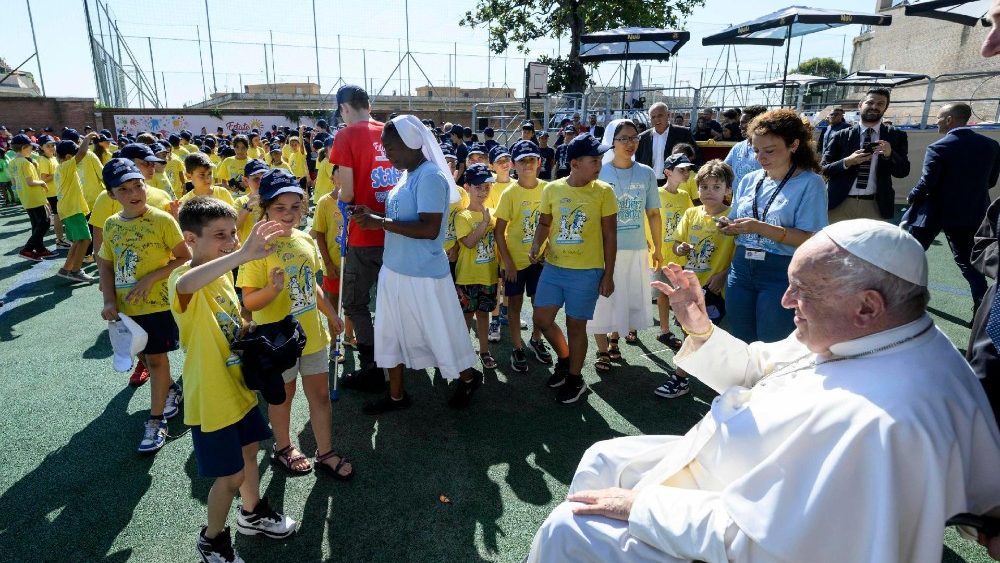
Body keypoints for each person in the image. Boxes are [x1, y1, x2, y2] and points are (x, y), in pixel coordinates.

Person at [526, 219, 1000, 563]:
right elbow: (759, 369)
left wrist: (644, 507)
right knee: (606, 457)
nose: (786, 301)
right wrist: (700, 326)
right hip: (747, 472)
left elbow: (765, 543)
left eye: (801, 291)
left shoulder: (880, 424)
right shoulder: (867, 332)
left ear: (867, 305)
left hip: (744, 524)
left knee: (572, 527)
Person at [169, 198, 297, 563]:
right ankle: (211, 539)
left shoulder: (223, 273)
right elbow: (189, 283)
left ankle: (252, 514)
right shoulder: (182, 278)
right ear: (190, 239)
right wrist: (241, 253)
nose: (230, 240)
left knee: (250, 455)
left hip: (237, 387)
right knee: (229, 477)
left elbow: (235, 322)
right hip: (211, 395)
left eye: (233, 233)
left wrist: (261, 342)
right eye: (220, 235)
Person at [349, 115, 483, 413]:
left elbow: (429, 229)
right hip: (394, 270)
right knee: (390, 334)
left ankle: (469, 377)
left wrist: (378, 222)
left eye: (392, 148)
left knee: (442, 333)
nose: (388, 154)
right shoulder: (406, 175)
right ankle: (397, 396)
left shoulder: (430, 176)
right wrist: (373, 216)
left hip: (424, 276)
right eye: (385, 148)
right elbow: (403, 217)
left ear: (412, 144)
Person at [237, 169, 352, 480]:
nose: (288, 214)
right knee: (283, 396)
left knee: (320, 396)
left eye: (294, 206)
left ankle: (325, 451)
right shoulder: (256, 247)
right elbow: (248, 302)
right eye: (279, 207)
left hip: (312, 335)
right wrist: (272, 290)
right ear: (264, 208)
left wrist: (330, 313)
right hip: (276, 341)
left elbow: (310, 285)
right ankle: (284, 447)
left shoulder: (304, 239)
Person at [97, 158, 190, 453]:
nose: (134, 193)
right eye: (123, 189)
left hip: (158, 305)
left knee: (158, 360)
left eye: (138, 185)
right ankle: (172, 389)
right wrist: (109, 300)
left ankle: (156, 419)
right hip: (128, 309)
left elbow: (184, 256)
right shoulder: (112, 225)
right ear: (112, 195)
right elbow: (106, 263)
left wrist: (151, 278)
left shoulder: (162, 220)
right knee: (149, 360)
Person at [722, 109, 828, 344]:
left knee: (773, 341)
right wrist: (728, 225)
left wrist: (758, 227)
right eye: (756, 150)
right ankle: (746, 382)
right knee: (739, 338)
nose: (760, 158)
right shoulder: (750, 180)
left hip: (781, 271)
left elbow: (810, 238)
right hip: (740, 268)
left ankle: (769, 382)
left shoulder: (811, 183)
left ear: (794, 145)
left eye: (769, 151)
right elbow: (736, 217)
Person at [530, 134, 618, 405]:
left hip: (587, 271)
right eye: (595, 160)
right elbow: (545, 223)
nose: (599, 164)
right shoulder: (552, 189)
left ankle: (575, 378)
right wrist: (536, 244)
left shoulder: (604, 191)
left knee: (575, 326)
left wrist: (608, 274)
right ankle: (566, 361)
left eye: (600, 159)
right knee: (541, 319)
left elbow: (610, 236)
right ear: (576, 163)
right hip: (554, 267)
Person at [330, 85, 400, 392]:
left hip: (363, 232)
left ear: (344, 109)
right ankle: (397, 361)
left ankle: (372, 366)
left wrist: (338, 201)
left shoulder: (345, 136)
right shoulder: (389, 130)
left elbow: (348, 193)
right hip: (397, 229)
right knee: (392, 301)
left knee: (355, 303)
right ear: (368, 104)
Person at [904, 102, 1000, 312]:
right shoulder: (991, 146)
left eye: (938, 117)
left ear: (949, 120)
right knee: (968, 262)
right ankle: (983, 307)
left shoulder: (938, 147)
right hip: (970, 212)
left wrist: (912, 196)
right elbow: (990, 182)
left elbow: (928, 183)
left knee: (909, 254)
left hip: (933, 214)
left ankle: (900, 300)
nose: (936, 121)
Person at [655, 160, 736, 399]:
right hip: (690, 286)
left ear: (727, 190)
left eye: (716, 187)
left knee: (701, 333)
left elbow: (740, 253)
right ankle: (707, 373)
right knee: (693, 332)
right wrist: (681, 250)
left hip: (715, 288)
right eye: (704, 187)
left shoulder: (733, 217)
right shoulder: (691, 213)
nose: (709, 192)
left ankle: (680, 378)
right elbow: (678, 243)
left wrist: (724, 274)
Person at [589, 120, 661, 372]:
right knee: (602, 300)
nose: (630, 143)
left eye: (634, 137)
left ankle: (614, 340)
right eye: (623, 138)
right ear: (612, 141)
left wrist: (658, 248)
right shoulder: (600, 172)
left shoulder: (647, 173)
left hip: (636, 248)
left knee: (625, 298)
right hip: (604, 250)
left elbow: (653, 213)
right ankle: (601, 350)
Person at [494, 140, 554, 373]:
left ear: (539, 162)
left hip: (541, 261)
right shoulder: (510, 193)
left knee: (541, 305)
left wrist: (547, 250)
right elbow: (499, 231)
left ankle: (536, 340)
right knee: (515, 305)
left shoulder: (549, 189)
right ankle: (517, 347)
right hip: (516, 262)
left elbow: (554, 223)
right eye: (522, 161)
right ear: (514, 165)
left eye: (532, 159)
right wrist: (508, 262)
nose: (528, 164)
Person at [822, 88, 910, 222]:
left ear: (885, 108)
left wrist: (890, 154)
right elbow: (823, 169)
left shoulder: (896, 136)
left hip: (875, 206)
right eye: (870, 102)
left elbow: (903, 171)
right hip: (839, 203)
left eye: (880, 104)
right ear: (860, 105)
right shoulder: (841, 135)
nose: (874, 107)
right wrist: (847, 162)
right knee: (833, 243)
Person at [455, 164, 500, 369]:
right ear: (467, 187)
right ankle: (463, 354)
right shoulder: (462, 216)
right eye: (478, 187)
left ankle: (484, 351)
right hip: (467, 276)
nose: (483, 191)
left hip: (488, 275)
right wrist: (484, 222)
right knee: (466, 316)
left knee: (484, 315)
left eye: (486, 187)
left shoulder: (493, 214)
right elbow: (469, 242)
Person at [650, 154, 695, 349]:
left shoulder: (685, 196)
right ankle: (663, 331)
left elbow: (691, 221)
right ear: (668, 172)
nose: (686, 173)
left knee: (674, 293)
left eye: (687, 169)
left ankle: (667, 331)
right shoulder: (656, 193)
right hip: (658, 254)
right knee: (659, 293)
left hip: (678, 254)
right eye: (681, 169)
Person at [54, 140, 97, 282]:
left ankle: (66, 269)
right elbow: (83, 153)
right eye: (74, 155)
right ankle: (76, 271)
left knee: (78, 241)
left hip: (69, 209)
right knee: (86, 239)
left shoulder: (62, 168)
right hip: (72, 209)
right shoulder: (66, 166)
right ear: (67, 157)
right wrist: (88, 137)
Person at [9, 134, 52, 261]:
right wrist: (43, 183)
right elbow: (30, 182)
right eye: (30, 148)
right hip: (34, 197)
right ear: (24, 147)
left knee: (36, 224)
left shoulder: (12, 163)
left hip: (25, 197)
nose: (32, 150)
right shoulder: (25, 163)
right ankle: (27, 249)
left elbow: (14, 182)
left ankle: (40, 249)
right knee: (45, 222)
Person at [635, 102, 698, 185]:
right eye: (653, 117)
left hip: (674, 184)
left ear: (668, 115)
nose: (656, 119)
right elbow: (637, 161)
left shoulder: (683, 133)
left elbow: (695, 156)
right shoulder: (642, 137)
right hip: (649, 183)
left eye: (660, 115)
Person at [723, 104, 767, 187]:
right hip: (737, 199)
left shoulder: (770, 151)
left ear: (757, 123)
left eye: (743, 123)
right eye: (740, 122)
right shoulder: (738, 147)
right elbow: (723, 169)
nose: (740, 126)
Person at [36, 135, 68, 247]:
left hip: (58, 191)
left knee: (61, 215)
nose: (51, 148)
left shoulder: (53, 158)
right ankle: (59, 240)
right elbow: (44, 178)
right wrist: (59, 172)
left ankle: (62, 238)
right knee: (57, 216)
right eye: (48, 146)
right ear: (41, 147)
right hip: (52, 193)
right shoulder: (43, 160)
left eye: (53, 145)